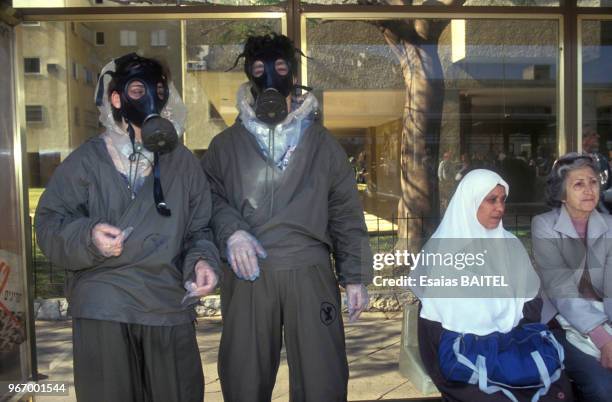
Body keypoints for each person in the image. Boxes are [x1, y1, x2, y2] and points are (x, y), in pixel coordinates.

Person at [35, 53, 220, 402]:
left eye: (159, 90)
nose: (151, 99)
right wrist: (88, 236)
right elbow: (49, 223)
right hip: (104, 304)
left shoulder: (183, 164)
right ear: (116, 99)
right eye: (138, 90)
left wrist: (202, 263)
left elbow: (201, 230)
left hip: (166, 305)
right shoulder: (86, 161)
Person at [201, 33, 373, 402]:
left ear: (293, 76)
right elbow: (208, 201)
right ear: (248, 75)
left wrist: (356, 276)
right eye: (260, 69)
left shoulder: (322, 144)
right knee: (244, 377)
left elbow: (346, 212)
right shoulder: (225, 147)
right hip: (249, 274)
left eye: (281, 68)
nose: (271, 78)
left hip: (309, 270)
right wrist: (232, 233)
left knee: (322, 377)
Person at [412, 169, 573, 402]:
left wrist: (506, 338)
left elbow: (531, 305)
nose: (500, 208)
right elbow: (434, 334)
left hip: (512, 346)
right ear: (471, 202)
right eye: (491, 200)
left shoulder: (510, 245)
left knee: (556, 391)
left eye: (502, 200)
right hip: (461, 356)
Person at [532, 152, 612, 402]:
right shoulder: (544, 225)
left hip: (607, 318)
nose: (589, 190)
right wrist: (603, 339)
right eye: (578, 184)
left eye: (593, 182)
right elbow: (560, 288)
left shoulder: (610, 224)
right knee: (603, 388)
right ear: (561, 194)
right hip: (562, 324)